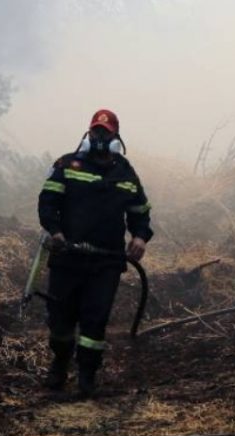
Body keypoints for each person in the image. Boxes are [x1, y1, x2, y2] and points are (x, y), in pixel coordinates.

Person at [38, 109, 154, 396]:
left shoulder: (126, 173)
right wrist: (55, 232)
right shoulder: (68, 165)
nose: (100, 138)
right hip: (67, 258)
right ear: (88, 135)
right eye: (95, 132)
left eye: (106, 133)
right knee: (61, 319)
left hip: (106, 262)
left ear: (116, 138)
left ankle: (87, 377)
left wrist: (140, 236)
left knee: (95, 319)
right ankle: (60, 365)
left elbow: (140, 211)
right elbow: (47, 202)